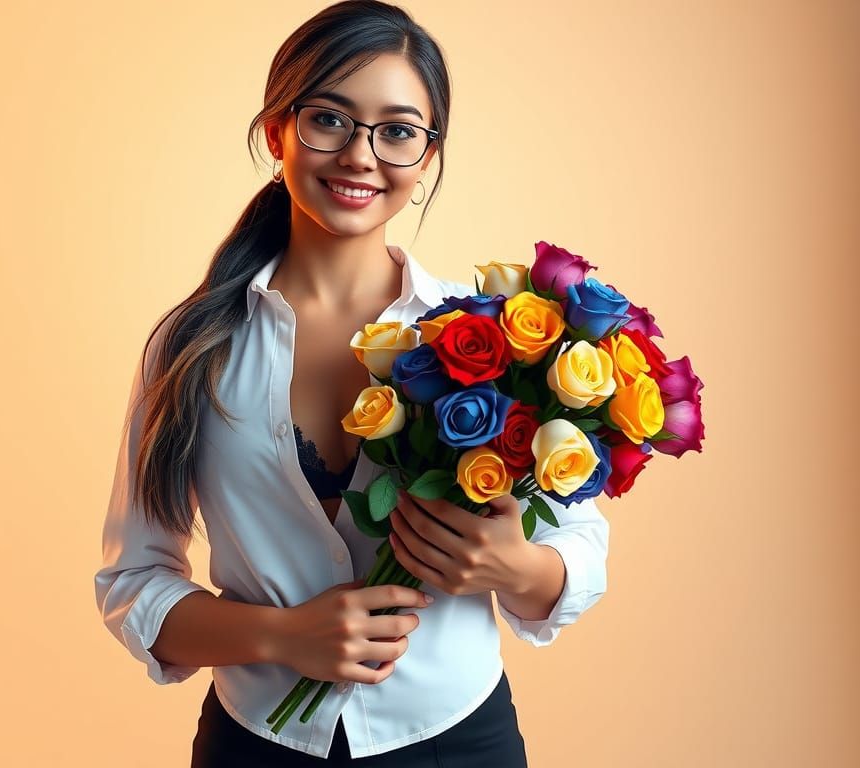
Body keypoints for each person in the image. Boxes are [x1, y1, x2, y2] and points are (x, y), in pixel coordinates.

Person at [94, 2, 609, 765]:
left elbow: (580, 549)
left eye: (397, 131)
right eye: (329, 119)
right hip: (254, 745)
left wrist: (514, 566)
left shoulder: (494, 338)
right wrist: (280, 635)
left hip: (458, 740)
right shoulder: (191, 346)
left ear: (428, 157)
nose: (360, 155)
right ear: (278, 130)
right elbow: (133, 580)